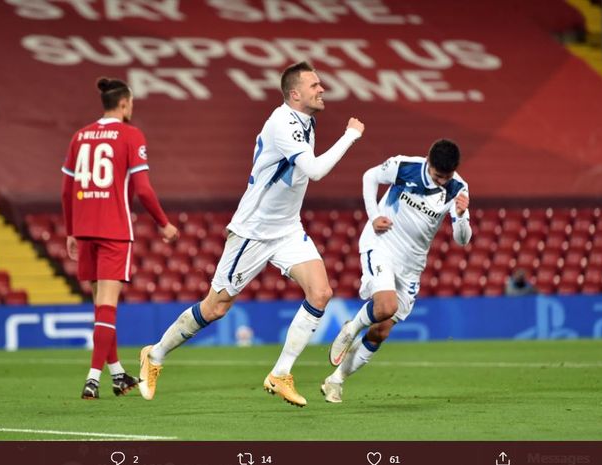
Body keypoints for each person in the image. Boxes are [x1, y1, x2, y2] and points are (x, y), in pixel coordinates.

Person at [139, 61, 364, 407]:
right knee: (215, 308)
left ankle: (280, 374)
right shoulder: (282, 123)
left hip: (287, 228)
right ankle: (155, 354)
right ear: (295, 94)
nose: (322, 89)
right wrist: (351, 136)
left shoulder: (307, 121)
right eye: (315, 85)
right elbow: (315, 171)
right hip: (254, 231)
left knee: (320, 293)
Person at [322, 139, 471, 403]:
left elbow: (462, 239)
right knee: (386, 305)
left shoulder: (457, 189)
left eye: (446, 177)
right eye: (437, 176)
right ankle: (350, 329)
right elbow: (370, 176)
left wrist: (461, 214)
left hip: (412, 264)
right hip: (382, 243)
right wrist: (372, 216)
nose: (441, 182)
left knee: (381, 330)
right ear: (428, 162)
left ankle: (336, 380)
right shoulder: (405, 166)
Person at [61, 77, 179, 399]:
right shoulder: (131, 135)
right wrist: (164, 224)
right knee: (108, 308)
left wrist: (71, 229)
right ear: (125, 104)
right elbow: (142, 188)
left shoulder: (80, 136)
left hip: (84, 229)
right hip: (113, 229)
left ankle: (117, 375)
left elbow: (66, 190)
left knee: (100, 307)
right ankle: (92, 378)